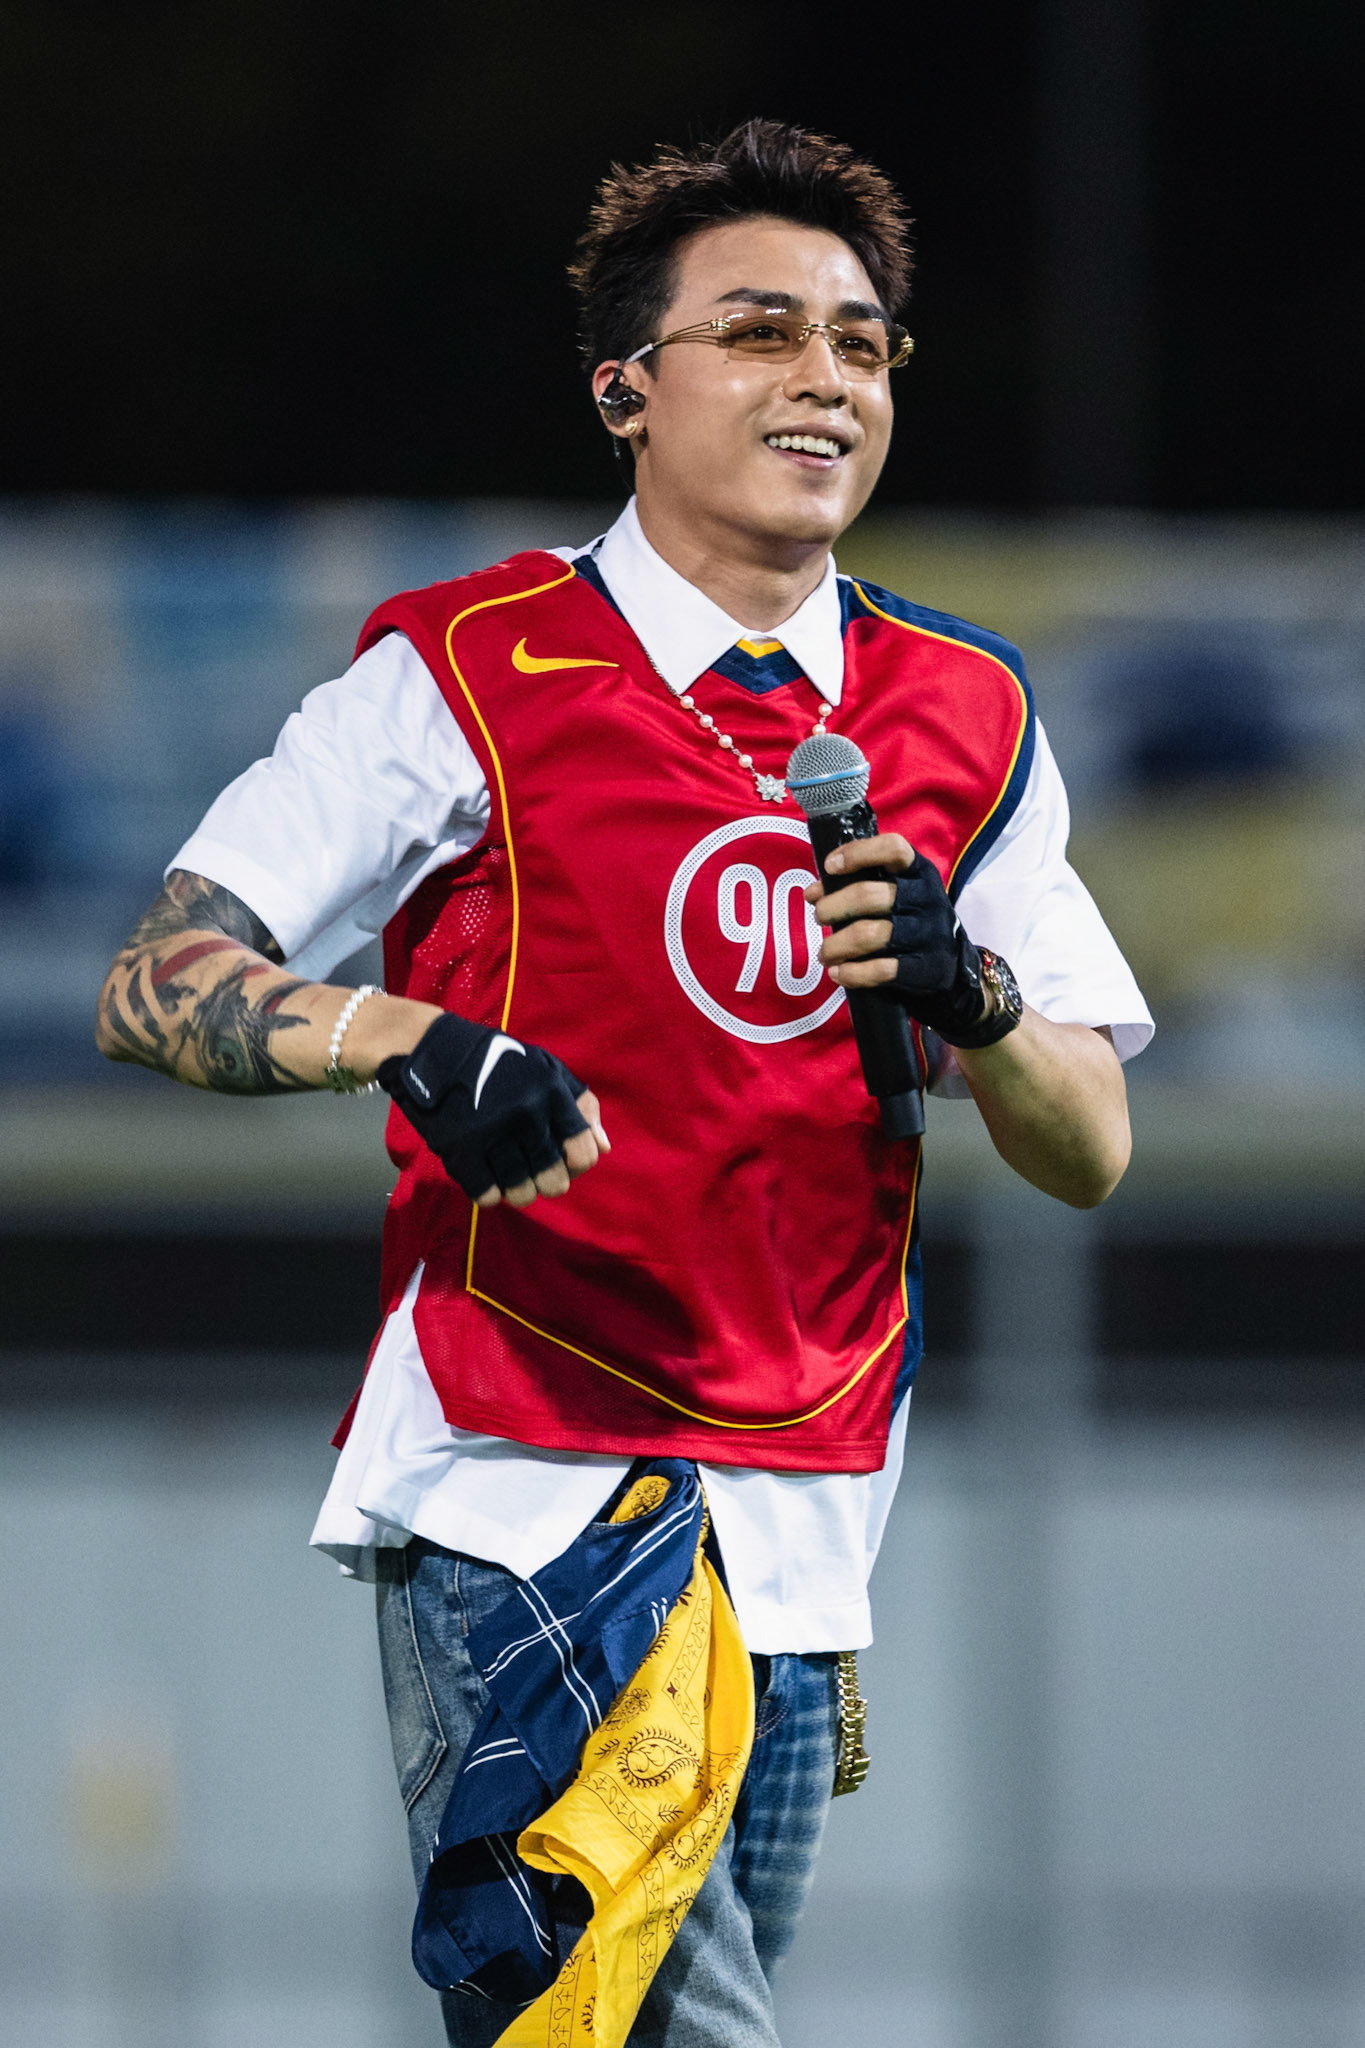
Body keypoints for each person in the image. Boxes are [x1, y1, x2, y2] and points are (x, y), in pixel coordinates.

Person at [96, 119, 1151, 2047]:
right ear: (622, 391)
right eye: (756, 331)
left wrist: (973, 992)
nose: (822, 375)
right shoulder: (456, 674)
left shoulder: (967, 710)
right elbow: (158, 976)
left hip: (809, 1500)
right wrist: (404, 1039)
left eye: (859, 340)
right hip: (534, 1479)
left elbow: (1088, 1149)